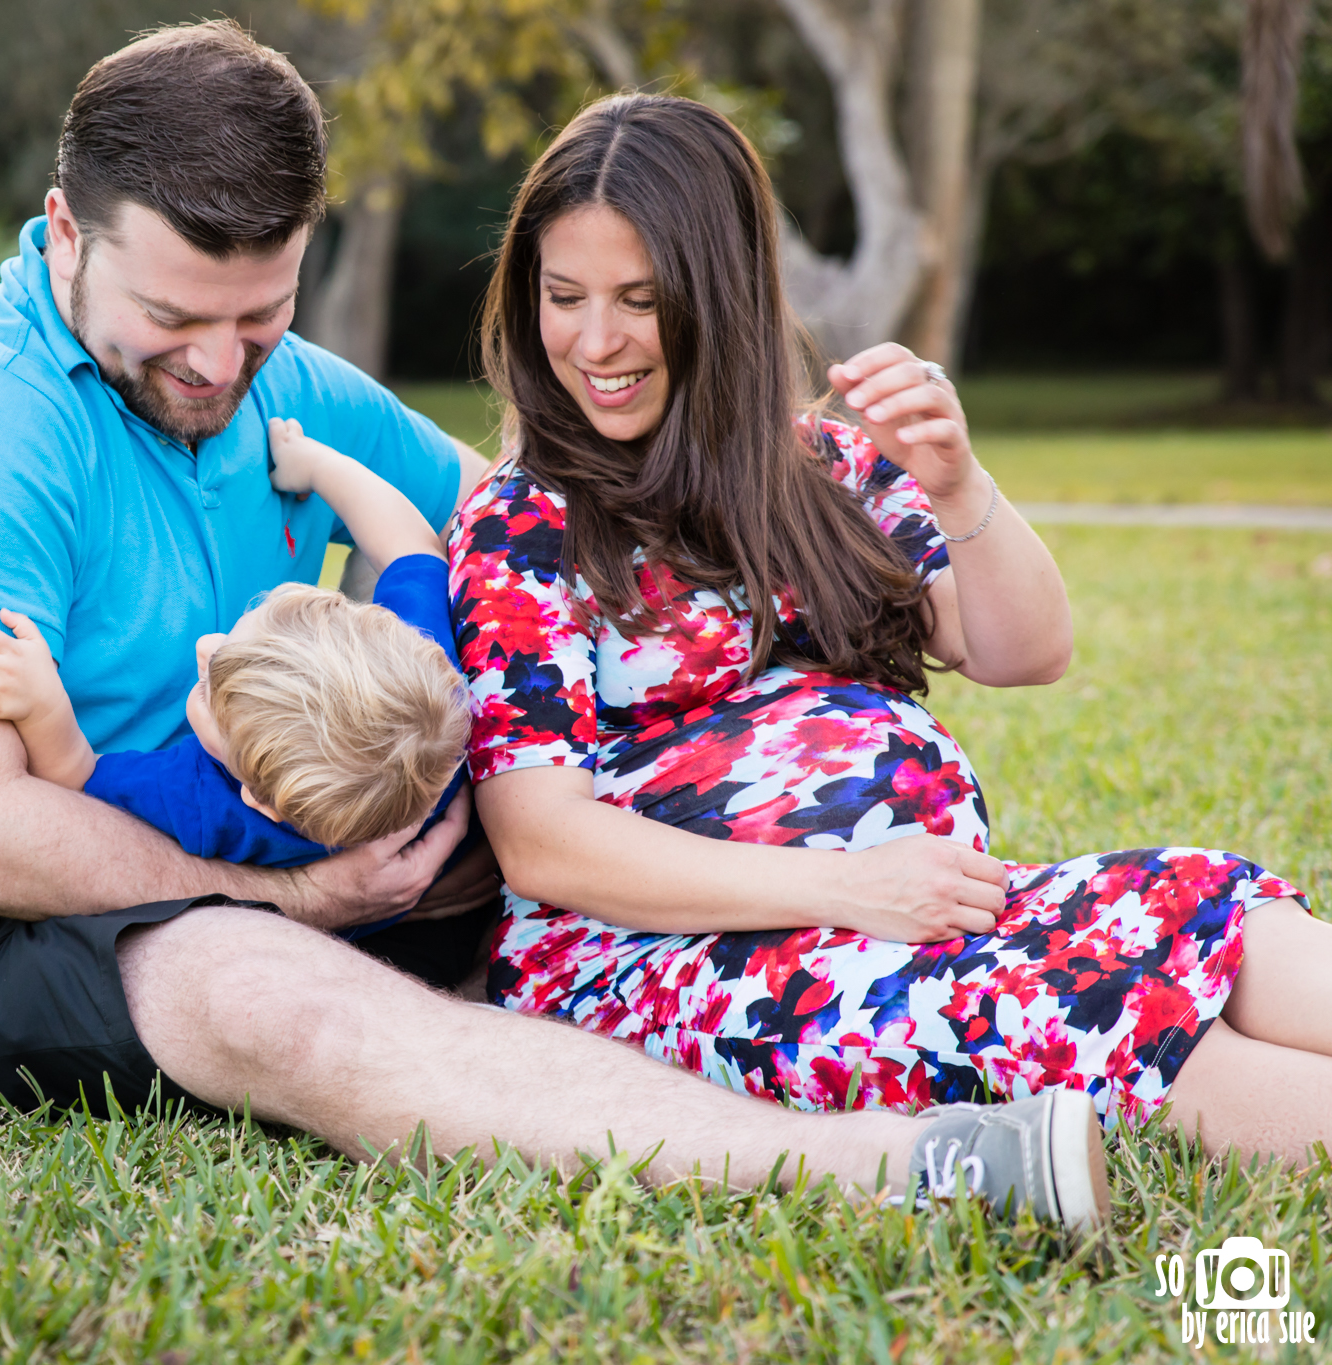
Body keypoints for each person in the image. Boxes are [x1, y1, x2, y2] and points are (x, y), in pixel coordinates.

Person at [0, 20, 1109, 1227]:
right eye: (171, 320)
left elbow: (522, 532)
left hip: (295, 840)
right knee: (261, 988)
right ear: (65, 234)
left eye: (260, 317)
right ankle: (914, 1169)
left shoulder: (295, 390)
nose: (216, 364)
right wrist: (291, 894)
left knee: (561, 848)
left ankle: (941, 987)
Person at [451, 92, 1332, 1167]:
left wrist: (957, 487)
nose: (594, 341)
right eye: (563, 296)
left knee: (1200, 906)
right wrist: (848, 885)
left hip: (891, 908)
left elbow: (1023, 651)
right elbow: (543, 844)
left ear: (719, 296)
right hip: (651, 955)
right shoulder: (522, 522)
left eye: (639, 299)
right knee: (1060, 1005)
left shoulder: (816, 468)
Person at [0, 416, 470, 869]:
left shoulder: (203, 802)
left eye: (213, 691)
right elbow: (412, 545)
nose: (205, 646)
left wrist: (41, 702)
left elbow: (78, 777)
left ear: (260, 800)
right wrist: (316, 464)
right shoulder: (423, 690)